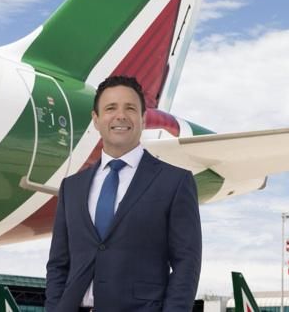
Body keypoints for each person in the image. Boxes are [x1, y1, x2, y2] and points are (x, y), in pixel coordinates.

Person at [45, 75, 201, 312]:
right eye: (110, 108)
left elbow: (186, 264)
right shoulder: (71, 187)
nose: (120, 115)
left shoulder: (176, 182)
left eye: (130, 108)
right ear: (96, 119)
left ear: (143, 118)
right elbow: (58, 264)